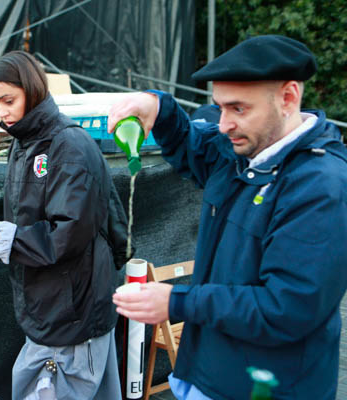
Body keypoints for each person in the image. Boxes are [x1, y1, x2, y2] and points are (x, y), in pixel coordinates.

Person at [110, 35, 347, 400]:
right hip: (203, 375)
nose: (223, 125)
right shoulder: (245, 150)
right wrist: (158, 106)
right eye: (219, 107)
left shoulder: (320, 186)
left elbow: (286, 308)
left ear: (288, 98)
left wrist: (175, 302)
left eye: (238, 109)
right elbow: (193, 146)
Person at [0, 51, 131, 400]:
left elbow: (68, 235)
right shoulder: (23, 143)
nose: (2, 112)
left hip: (72, 313)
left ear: (32, 91)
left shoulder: (69, 145)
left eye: (9, 101)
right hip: (50, 307)